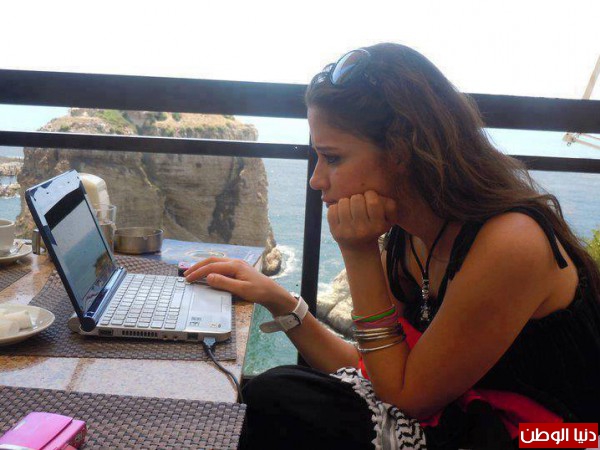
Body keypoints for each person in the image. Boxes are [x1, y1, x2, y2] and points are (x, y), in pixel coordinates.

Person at [185, 43, 600, 449]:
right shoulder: (409, 237)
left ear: (401, 150)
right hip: (469, 420)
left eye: (333, 158)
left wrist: (358, 251)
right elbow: (377, 373)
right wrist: (278, 300)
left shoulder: (510, 241)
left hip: (556, 437)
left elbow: (406, 398)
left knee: (282, 399)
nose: (316, 179)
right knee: (278, 395)